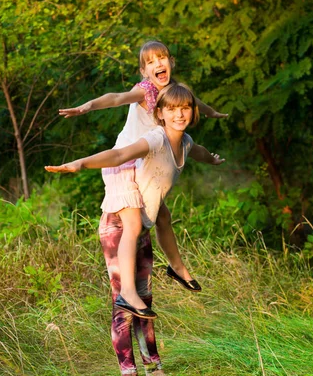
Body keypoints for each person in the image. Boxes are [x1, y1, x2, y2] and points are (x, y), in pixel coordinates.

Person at [46, 83, 225, 376]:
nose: (179, 114)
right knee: (125, 305)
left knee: (145, 301)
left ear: (193, 112)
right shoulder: (154, 139)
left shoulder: (184, 143)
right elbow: (119, 155)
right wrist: (80, 163)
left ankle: (153, 369)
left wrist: (212, 159)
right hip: (118, 224)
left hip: (141, 225)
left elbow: (198, 152)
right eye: (171, 109)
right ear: (160, 113)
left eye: (185, 108)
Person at [58, 40, 228, 314]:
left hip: (143, 161)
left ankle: (177, 267)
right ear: (143, 70)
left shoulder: (174, 94)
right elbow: (114, 98)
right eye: (150, 62)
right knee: (133, 225)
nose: (158, 64)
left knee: (163, 217)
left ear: (171, 62)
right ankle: (127, 292)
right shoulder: (144, 91)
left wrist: (212, 113)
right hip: (122, 161)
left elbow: (196, 105)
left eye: (162, 58)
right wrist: (86, 107)